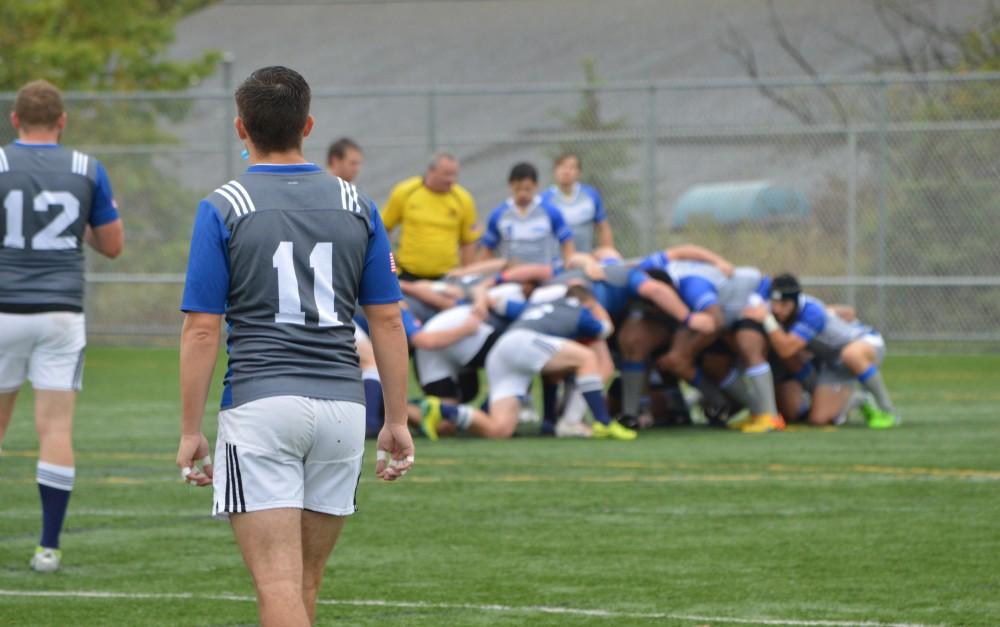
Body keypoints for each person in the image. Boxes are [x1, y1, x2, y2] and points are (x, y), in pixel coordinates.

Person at [176, 66, 413, 627]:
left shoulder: (224, 205)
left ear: (241, 129)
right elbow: (388, 320)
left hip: (263, 405)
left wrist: (190, 430)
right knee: (304, 584)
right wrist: (397, 418)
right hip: (341, 408)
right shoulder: (358, 203)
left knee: (278, 589)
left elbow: (203, 329)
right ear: (307, 125)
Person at [0, 79, 124, 572]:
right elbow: (112, 245)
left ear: (14, 120)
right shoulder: (86, 169)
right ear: (61, 121)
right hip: (60, 312)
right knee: (55, 429)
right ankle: (48, 548)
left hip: (4, 308)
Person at [420, 286, 637, 441]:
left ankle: (444, 410)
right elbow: (605, 330)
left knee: (499, 430)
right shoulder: (579, 310)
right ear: (585, 302)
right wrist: (597, 307)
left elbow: (501, 304)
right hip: (523, 342)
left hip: (502, 350)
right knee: (587, 358)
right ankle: (602, 423)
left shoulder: (537, 306)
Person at [743, 273, 899, 428]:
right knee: (818, 420)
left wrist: (767, 319)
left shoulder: (811, 312)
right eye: (775, 303)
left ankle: (888, 411)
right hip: (834, 363)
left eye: (784, 304)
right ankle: (859, 399)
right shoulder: (780, 309)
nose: (778, 309)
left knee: (850, 354)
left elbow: (786, 349)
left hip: (865, 342)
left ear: (795, 301)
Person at [382, 152, 480, 280]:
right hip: (407, 275)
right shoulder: (405, 192)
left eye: (454, 175)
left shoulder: (463, 199)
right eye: (446, 174)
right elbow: (383, 227)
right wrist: (391, 264)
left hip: (447, 277)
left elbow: (468, 241)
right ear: (431, 171)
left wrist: (467, 274)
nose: (451, 179)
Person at [478, 162, 575, 270]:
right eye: (518, 189)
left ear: (535, 186)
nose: (522, 194)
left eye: (527, 189)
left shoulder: (550, 212)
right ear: (510, 185)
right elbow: (486, 250)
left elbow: (567, 243)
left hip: (546, 275)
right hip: (512, 276)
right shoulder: (499, 215)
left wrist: (568, 264)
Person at [540, 153, 613, 253]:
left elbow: (602, 226)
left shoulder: (590, 195)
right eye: (562, 167)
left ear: (579, 172)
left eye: (571, 167)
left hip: (587, 258)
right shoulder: (544, 200)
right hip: (557, 263)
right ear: (555, 171)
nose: (566, 171)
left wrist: (608, 251)